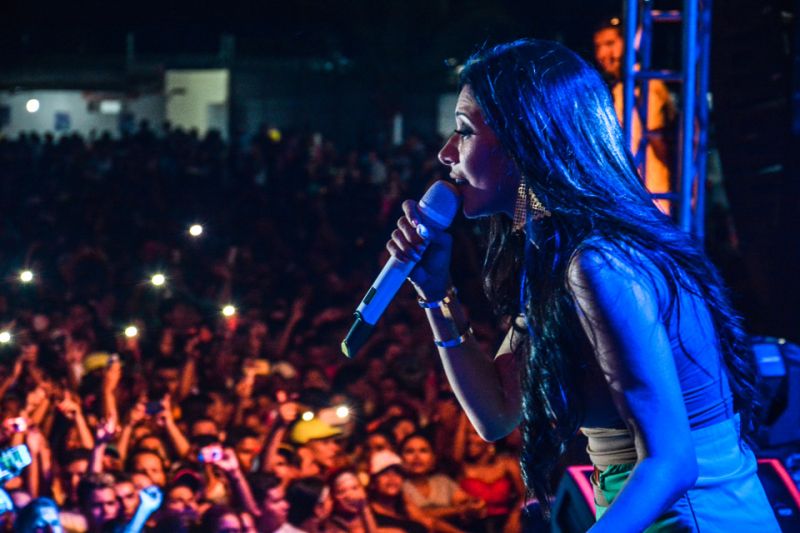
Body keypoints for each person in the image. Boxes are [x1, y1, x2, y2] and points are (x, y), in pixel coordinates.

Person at [387, 38, 779, 531]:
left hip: (695, 515)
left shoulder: (599, 263)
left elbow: (672, 462)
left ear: (525, 140)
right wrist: (435, 294)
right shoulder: (555, 258)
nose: (447, 154)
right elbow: (496, 413)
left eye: (464, 130)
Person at [593, 17, 675, 214]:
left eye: (610, 44)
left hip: (652, 196)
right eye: (598, 46)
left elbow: (659, 140)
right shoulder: (619, 89)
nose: (603, 54)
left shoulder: (647, 85)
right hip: (629, 198)